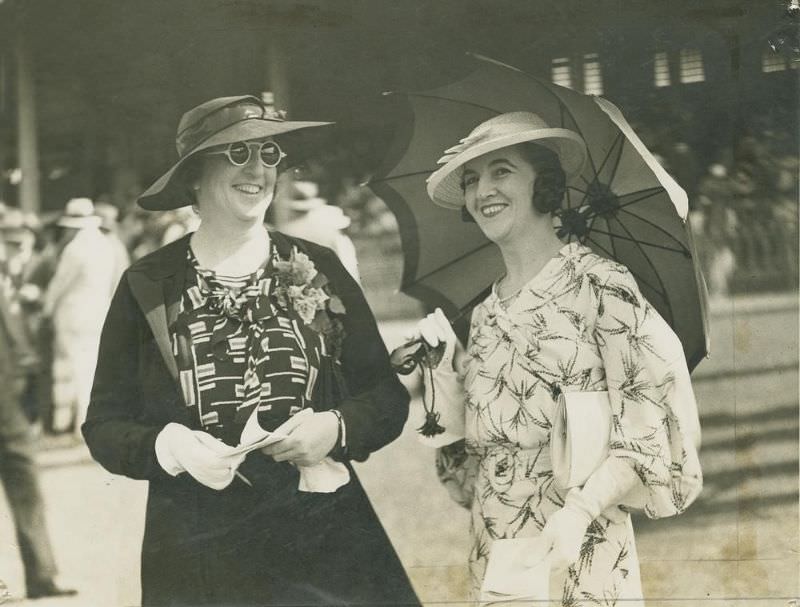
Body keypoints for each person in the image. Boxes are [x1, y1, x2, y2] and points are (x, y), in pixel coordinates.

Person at [81, 95, 419, 607]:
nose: (259, 170)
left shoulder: (319, 265)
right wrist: (170, 448)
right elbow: (104, 425)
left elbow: (385, 396)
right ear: (194, 175)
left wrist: (336, 428)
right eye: (238, 153)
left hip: (323, 538)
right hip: (198, 551)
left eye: (269, 154)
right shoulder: (148, 284)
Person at [411, 112, 703, 603]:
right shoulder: (482, 316)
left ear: (543, 183)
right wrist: (442, 375)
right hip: (497, 551)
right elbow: (468, 479)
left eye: (501, 170)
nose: (483, 190)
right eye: (471, 179)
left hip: (580, 545)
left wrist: (579, 513)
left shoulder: (602, 286)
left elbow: (647, 429)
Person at [0, 245, 76, 600]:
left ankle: (43, 575)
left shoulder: (7, 290)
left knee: (29, 493)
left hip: (11, 411)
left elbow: (22, 348)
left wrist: (30, 403)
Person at [43, 198, 117, 434]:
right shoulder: (107, 246)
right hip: (98, 311)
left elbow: (59, 284)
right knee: (91, 366)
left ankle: (67, 422)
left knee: (71, 368)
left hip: (73, 314)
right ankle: (83, 421)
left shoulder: (75, 249)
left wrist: (46, 309)